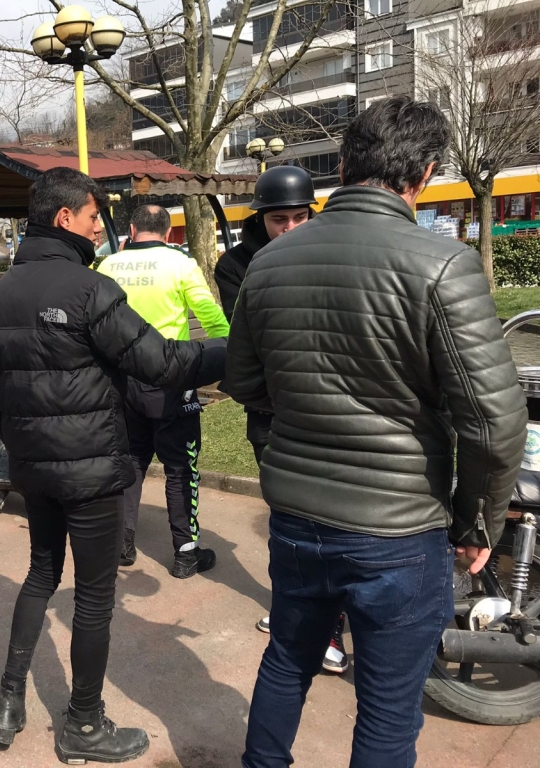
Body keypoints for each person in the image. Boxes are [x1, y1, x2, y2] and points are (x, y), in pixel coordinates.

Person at [227, 96, 528, 768]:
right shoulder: (442, 264)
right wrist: (477, 524)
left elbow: (245, 383)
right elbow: (494, 420)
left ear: (342, 165)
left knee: (287, 659)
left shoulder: (268, 263)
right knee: (388, 708)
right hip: (398, 530)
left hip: (298, 515)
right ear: (425, 173)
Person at [0, 167, 227, 764]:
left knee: (40, 575)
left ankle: (8, 701)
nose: (98, 228)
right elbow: (162, 363)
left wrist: (21, 441)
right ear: (65, 217)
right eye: (93, 216)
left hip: (34, 469)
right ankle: (83, 725)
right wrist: (236, 350)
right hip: (89, 473)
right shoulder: (90, 289)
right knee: (92, 596)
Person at [214, 167, 351, 674]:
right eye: (279, 220)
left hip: (332, 409)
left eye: (299, 217)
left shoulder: (331, 249)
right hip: (272, 411)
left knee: (333, 522)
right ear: (260, 219)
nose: (290, 228)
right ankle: (295, 609)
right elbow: (252, 338)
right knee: (288, 520)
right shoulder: (236, 265)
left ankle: (331, 626)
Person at [97, 204, 229, 577]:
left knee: (131, 462)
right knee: (181, 467)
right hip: (172, 380)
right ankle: (186, 554)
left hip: (124, 381)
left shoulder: (108, 266)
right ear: (168, 232)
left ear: (132, 229)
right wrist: (231, 349)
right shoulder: (180, 263)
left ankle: (122, 545)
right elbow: (210, 315)